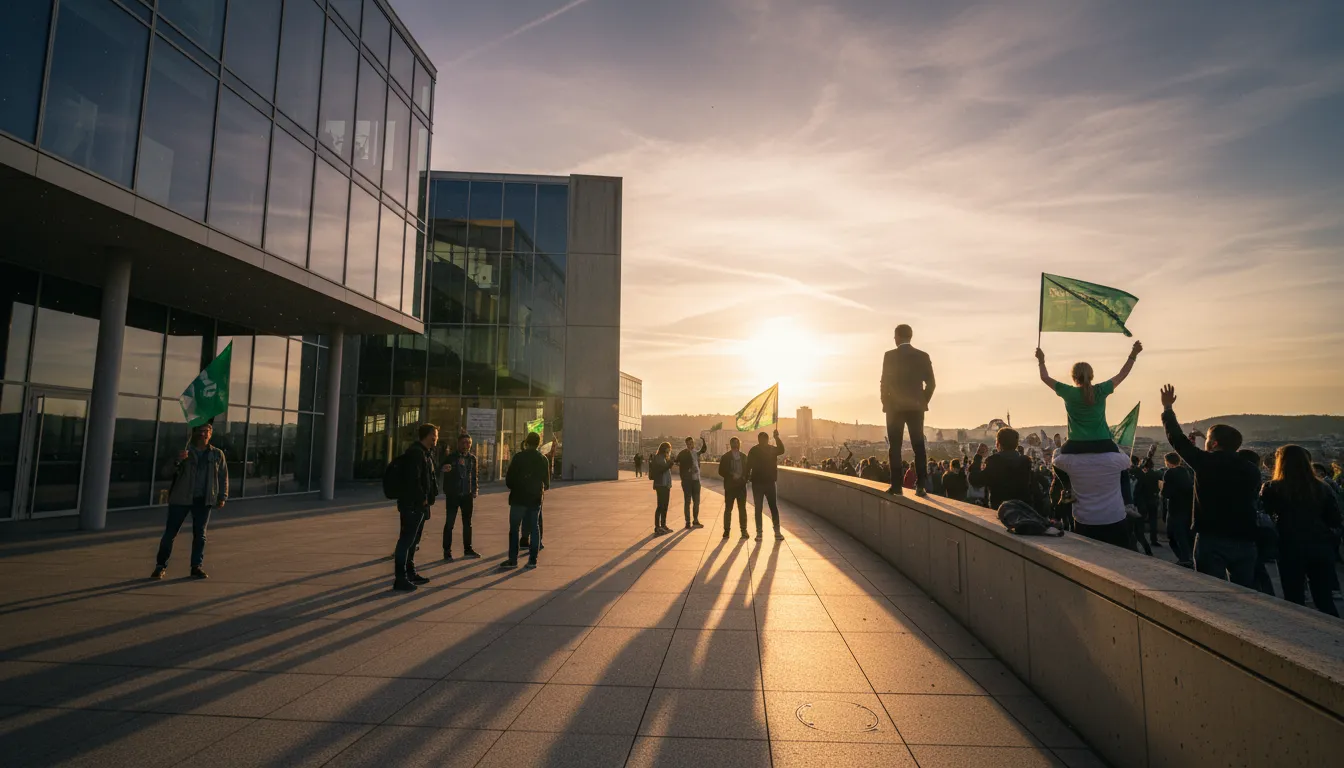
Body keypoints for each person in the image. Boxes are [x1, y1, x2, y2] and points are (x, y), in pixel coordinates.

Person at [1160, 385, 1261, 587]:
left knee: (1211, 591)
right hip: (1245, 537)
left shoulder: (1206, 462)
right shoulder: (1251, 469)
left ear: (1214, 444)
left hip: (1212, 536)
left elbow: (1177, 439)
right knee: (1247, 592)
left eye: (1207, 439)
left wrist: (1168, 408)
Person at [1262, 446, 1341, 615]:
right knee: (1324, 600)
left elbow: (1264, 516)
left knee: (1294, 600)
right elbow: (1334, 520)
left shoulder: (1272, 488)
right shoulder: (1323, 488)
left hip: (1289, 545)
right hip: (1321, 546)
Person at [152, 423, 229, 580]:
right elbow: (166, 472)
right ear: (194, 433)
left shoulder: (216, 454)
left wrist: (222, 496)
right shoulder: (185, 451)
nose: (203, 434)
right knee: (170, 534)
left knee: (200, 535)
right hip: (181, 499)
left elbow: (223, 476)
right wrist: (177, 461)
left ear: (211, 434)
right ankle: (160, 566)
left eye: (206, 431)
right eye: (200, 431)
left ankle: (196, 567)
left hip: (204, 500)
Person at [880, 324, 935, 496]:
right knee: (918, 446)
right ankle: (921, 486)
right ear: (910, 336)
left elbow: (884, 383)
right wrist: (922, 400)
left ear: (897, 336)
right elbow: (931, 383)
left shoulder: (889, 356)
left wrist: (886, 402)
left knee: (895, 447)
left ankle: (896, 486)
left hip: (894, 408)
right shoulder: (922, 356)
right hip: (916, 407)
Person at [393, 424, 440, 591]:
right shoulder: (415, 453)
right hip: (412, 505)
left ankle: (410, 572)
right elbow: (413, 480)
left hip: (420, 505)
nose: (436, 438)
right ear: (426, 436)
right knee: (406, 541)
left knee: (413, 541)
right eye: (434, 435)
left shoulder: (425, 453)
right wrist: (422, 500)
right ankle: (400, 578)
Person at [502, 431, 550, 569]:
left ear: (527, 442)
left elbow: (509, 479)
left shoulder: (518, 457)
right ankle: (532, 560)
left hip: (518, 498)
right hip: (534, 499)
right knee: (534, 529)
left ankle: (513, 560)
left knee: (514, 529)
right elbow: (546, 483)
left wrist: (516, 487)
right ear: (538, 443)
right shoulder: (543, 459)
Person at [969, 429, 1036, 510]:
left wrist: (978, 457)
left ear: (998, 444)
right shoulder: (1025, 463)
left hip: (1001, 511)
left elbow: (975, 480)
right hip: (1023, 512)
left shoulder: (995, 462)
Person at [441, 434, 480, 562]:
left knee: (467, 523)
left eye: (468, 443)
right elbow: (441, 471)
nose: (466, 445)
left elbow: (474, 475)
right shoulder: (451, 458)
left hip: (467, 495)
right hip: (453, 495)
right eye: (463, 443)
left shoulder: (472, 459)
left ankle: (468, 549)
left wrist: (474, 490)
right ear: (458, 444)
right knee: (450, 523)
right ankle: (447, 551)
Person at [747, 430, 787, 541]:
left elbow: (782, 450)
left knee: (770, 507)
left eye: (765, 440)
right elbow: (748, 465)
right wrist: (746, 477)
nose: (763, 442)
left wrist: (777, 438)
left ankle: (772, 532)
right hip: (760, 483)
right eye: (762, 440)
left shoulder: (769, 449)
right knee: (763, 508)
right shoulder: (755, 450)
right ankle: (764, 533)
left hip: (767, 483)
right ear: (759, 440)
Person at [1160, 452, 1195, 567]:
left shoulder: (1170, 473)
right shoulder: (1189, 471)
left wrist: (1161, 489)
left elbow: (1166, 493)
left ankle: (1184, 558)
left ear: (1168, 462)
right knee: (1186, 533)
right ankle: (1189, 557)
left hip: (1175, 509)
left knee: (1174, 535)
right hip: (1188, 509)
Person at [719, 437, 750, 539]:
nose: (735, 445)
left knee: (742, 509)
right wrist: (732, 475)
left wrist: (743, 478)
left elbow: (748, 471)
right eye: (734, 443)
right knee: (728, 509)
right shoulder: (726, 457)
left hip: (741, 487)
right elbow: (721, 471)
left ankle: (743, 530)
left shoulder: (743, 457)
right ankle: (726, 531)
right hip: (730, 487)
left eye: (737, 443)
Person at [676, 436, 708, 529]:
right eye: (689, 443)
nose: (691, 445)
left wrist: (703, 441)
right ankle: (687, 522)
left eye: (692, 443)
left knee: (696, 501)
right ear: (686, 444)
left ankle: (695, 520)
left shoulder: (696, 453)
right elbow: (677, 462)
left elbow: (703, 450)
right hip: (687, 481)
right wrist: (687, 470)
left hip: (696, 480)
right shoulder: (683, 453)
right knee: (687, 501)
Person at [649, 442, 674, 535]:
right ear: (664, 448)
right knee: (660, 506)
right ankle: (657, 526)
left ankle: (663, 525)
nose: (669, 450)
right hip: (660, 484)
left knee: (665, 506)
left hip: (665, 485)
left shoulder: (664, 457)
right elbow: (662, 469)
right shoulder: (658, 457)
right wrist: (670, 464)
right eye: (668, 448)